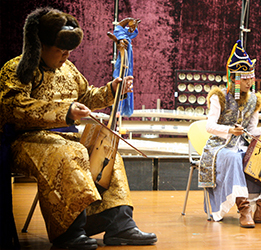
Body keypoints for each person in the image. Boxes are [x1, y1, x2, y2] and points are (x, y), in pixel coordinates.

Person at [0, 7, 157, 249]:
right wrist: (65, 112)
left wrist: (112, 90)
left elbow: (87, 96)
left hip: (67, 139)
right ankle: (70, 232)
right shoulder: (16, 68)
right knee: (68, 153)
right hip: (27, 140)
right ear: (40, 45)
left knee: (107, 149)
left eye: (68, 52)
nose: (65, 56)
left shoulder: (69, 69)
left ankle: (120, 224)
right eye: (60, 51)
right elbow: (14, 107)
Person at [198, 40, 261, 228]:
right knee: (233, 158)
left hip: (241, 146)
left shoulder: (254, 100)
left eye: (251, 78)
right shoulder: (219, 97)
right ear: (235, 79)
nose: (250, 82)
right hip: (219, 147)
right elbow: (209, 126)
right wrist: (230, 130)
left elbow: (252, 131)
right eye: (246, 78)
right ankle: (245, 209)